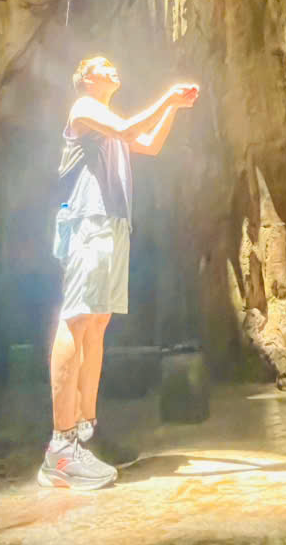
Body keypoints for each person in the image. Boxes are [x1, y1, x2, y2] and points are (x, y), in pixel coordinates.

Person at [38, 55, 199, 490]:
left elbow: (148, 143)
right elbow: (129, 129)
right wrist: (165, 96)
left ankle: (87, 431)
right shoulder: (84, 108)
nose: (112, 68)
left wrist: (172, 108)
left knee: (96, 325)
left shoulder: (107, 125)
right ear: (86, 77)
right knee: (76, 320)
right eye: (102, 65)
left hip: (112, 224)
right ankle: (61, 448)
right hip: (87, 222)